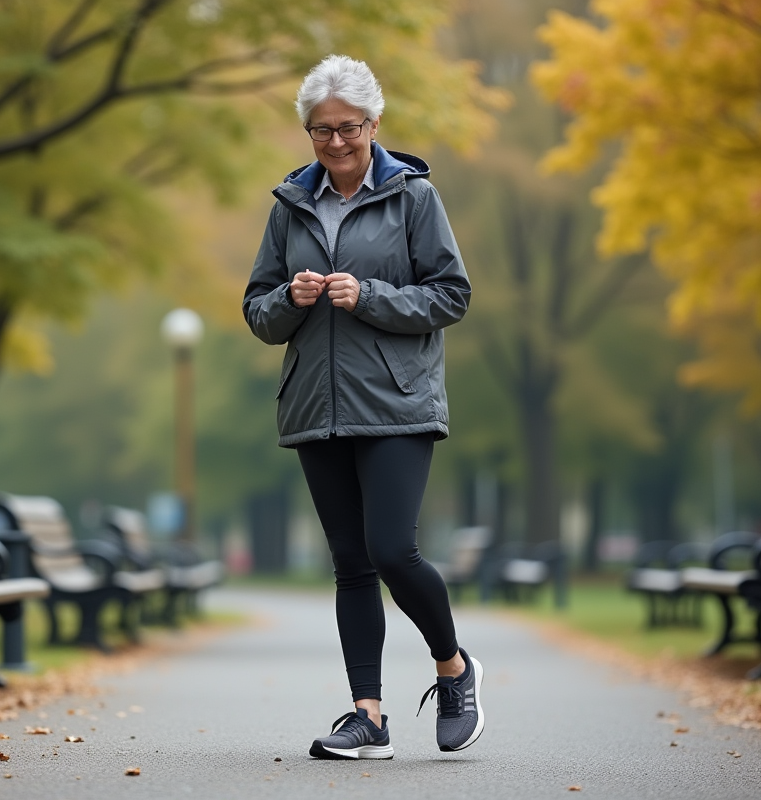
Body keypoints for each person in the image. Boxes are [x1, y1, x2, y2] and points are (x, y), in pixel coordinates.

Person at [242, 54, 481, 760]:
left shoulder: (414, 198)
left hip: (397, 404)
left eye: (349, 127)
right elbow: (258, 311)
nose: (337, 141)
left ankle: (453, 667)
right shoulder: (289, 205)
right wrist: (291, 298)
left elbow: (451, 295)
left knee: (392, 550)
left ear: (374, 125)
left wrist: (369, 296)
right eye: (322, 129)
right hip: (316, 407)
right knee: (351, 563)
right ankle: (368, 716)